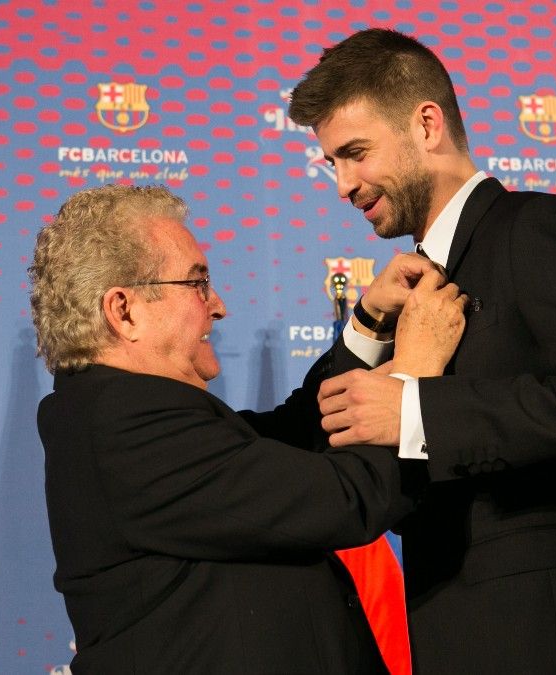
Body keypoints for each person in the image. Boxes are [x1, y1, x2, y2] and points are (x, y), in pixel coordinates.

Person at [289, 28, 556, 674]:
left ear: (426, 124)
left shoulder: (535, 228)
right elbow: (322, 434)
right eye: (332, 162)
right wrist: (363, 324)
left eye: (355, 153)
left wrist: (418, 414)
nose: (343, 184)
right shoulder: (405, 288)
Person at [28, 184, 465, 673]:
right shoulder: (124, 428)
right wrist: (415, 374)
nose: (218, 305)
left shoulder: (123, 417)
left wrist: (368, 324)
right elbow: (343, 499)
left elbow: (296, 430)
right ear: (124, 311)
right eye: (196, 283)